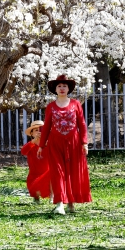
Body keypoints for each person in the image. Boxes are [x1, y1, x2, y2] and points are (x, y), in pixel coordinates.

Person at [37, 74, 91, 215]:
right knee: (58, 172)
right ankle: (60, 203)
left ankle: (71, 202)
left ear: (68, 89)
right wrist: (41, 146)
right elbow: (47, 126)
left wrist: (84, 143)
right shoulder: (50, 106)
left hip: (73, 143)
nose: (62, 88)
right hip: (55, 144)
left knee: (72, 172)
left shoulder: (76, 104)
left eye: (64, 86)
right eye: (59, 86)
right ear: (55, 89)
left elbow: (82, 124)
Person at [19, 121, 51, 202]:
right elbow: (23, 152)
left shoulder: (49, 144)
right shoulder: (30, 145)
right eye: (36, 130)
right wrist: (33, 141)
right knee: (35, 189)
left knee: (51, 181)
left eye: (41, 129)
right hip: (34, 174)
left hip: (47, 173)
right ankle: (36, 198)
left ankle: (52, 197)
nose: (39, 132)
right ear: (32, 134)